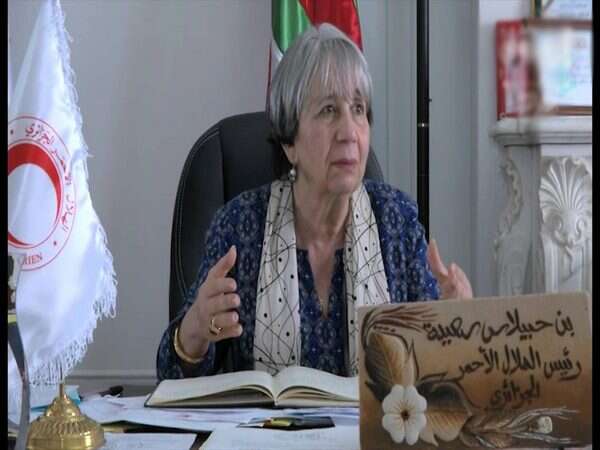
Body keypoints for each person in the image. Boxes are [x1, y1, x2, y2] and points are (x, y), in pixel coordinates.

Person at [157, 23, 472, 381]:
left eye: (358, 109)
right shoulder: (240, 227)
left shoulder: (395, 222)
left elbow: (435, 375)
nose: (349, 133)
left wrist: (459, 328)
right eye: (328, 110)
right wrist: (195, 331)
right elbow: (171, 376)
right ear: (289, 141)